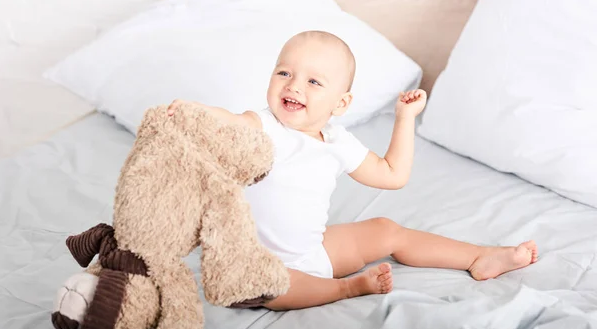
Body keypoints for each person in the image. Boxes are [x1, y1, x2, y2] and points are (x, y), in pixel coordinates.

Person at [167, 30, 538, 311]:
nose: (294, 85)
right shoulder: (263, 126)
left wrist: (405, 118)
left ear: (341, 103)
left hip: (311, 252)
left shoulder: (337, 141)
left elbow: (393, 174)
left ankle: (478, 257)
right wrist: (194, 111)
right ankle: (347, 288)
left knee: (385, 230)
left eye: (313, 81)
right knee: (267, 287)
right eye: (284, 73)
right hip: (253, 265)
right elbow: (228, 121)